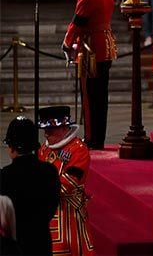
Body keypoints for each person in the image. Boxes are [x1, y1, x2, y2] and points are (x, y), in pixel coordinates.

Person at [62, 0, 117, 150]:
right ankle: (98, 137)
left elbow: (77, 24)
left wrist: (67, 43)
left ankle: (93, 138)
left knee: (90, 97)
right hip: (105, 47)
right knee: (100, 97)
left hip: (90, 49)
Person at [37, 106, 95, 256]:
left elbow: (68, 184)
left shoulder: (79, 150)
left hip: (68, 215)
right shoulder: (44, 149)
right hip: (46, 212)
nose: (46, 133)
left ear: (64, 128)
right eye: (45, 128)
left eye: (51, 128)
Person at [1, 117, 60, 256]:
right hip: (41, 244)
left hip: (13, 248)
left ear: (11, 147)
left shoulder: (4, 176)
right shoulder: (50, 172)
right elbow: (52, 206)